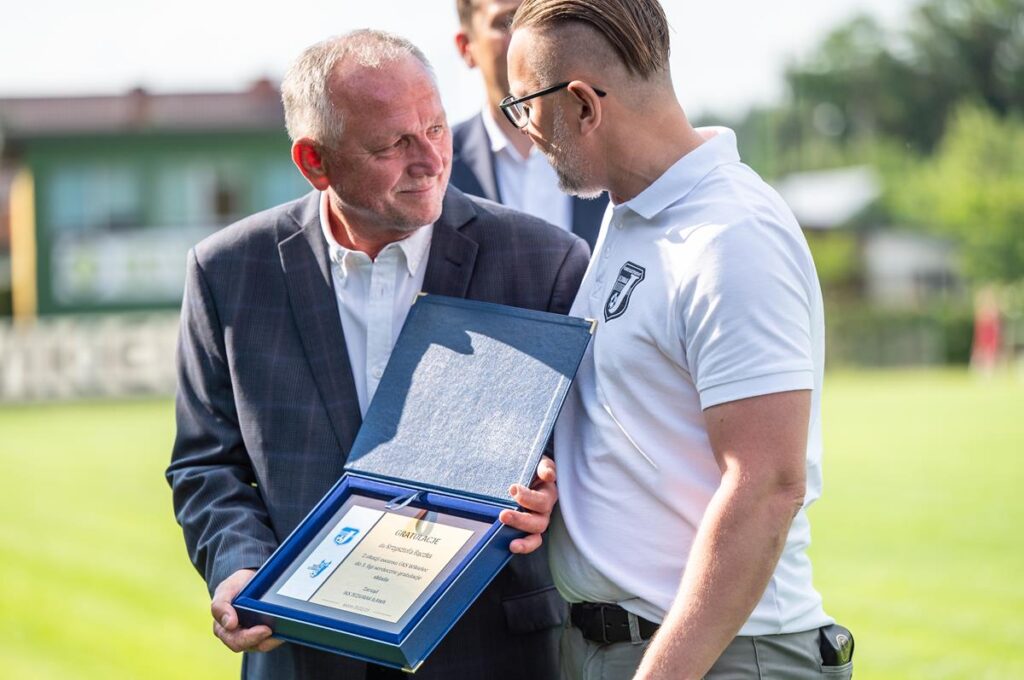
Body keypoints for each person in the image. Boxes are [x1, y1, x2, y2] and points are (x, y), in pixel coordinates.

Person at [166, 29, 589, 680]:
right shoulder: (228, 272)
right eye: (394, 144)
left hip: (492, 652)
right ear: (314, 161)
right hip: (303, 652)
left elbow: (592, 452)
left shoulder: (545, 262)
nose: (431, 160)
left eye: (436, 128)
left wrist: (552, 494)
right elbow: (207, 464)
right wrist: (240, 567)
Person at [504, 1, 852, 678]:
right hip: (625, 646)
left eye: (524, 106)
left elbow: (768, 486)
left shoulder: (732, 236)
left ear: (583, 105)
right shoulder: (632, 212)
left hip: (717, 656)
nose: (525, 131)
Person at [451, 0, 607, 250]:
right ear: (466, 47)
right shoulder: (438, 166)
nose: (528, 35)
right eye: (507, 22)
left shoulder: (608, 149)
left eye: (538, 16)